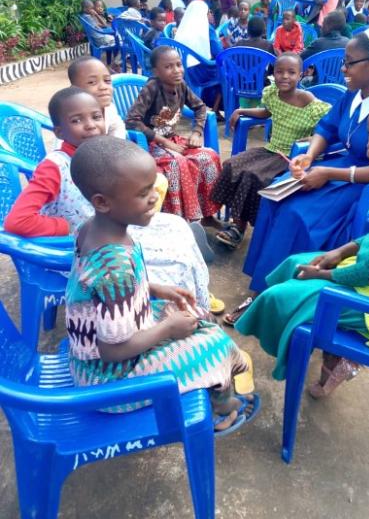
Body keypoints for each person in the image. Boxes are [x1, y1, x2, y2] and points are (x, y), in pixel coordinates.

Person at [236, 91, 369, 395]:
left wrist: (323, 274)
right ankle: (332, 357)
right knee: (292, 264)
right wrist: (343, 249)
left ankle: (317, 352)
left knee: (283, 297)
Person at [66, 135, 259, 431]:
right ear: (102, 202)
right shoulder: (115, 270)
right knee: (216, 344)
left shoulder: (91, 229)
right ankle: (222, 405)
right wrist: (167, 329)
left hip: (101, 348)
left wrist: (155, 289)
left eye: (152, 186)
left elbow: (100, 296)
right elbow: (112, 351)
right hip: (107, 379)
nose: (155, 197)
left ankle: (213, 385)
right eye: (143, 193)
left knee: (198, 318)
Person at [4, 87, 212, 310]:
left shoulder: (99, 152)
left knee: (177, 226)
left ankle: (197, 298)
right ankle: (176, 311)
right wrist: (64, 226)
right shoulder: (54, 167)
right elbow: (16, 221)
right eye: (77, 120)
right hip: (81, 251)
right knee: (174, 262)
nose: (91, 125)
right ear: (59, 132)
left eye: (96, 117)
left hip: (112, 229)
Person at [239, 26, 369, 304]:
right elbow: (326, 128)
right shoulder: (356, 93)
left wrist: (327, 173)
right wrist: (309, 155)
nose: (343, 69)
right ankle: (263, 282)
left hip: (365, 181)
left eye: (350, 62)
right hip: (338, 166)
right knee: (273, 195)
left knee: (297, 214)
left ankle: (284, 293)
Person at [211, 54, 330, 252]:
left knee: (253, 175)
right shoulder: (273, 93)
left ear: (300, 75)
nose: (284, 76)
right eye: (279, 71)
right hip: (271, 149)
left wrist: (310, 142)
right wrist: (241, 111)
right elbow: (267, 113)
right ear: (273, 74)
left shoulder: (309, 101)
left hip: (290, 157)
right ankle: (233, 220)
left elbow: (327, 127)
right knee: (233, 164)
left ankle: (240, 227)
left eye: (291, 72)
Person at [125, 45, 222, 224]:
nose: (176, 70)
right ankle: (181, 220)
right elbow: (131, 120)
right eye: (168, 67)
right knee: (177, 164)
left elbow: (200, 107)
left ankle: (208, 215)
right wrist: (163, 142)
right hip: (149, 145)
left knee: (208, 157)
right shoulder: (152, 88)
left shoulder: (181, 85)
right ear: (156, 71)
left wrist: (197, 131)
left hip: (172, 141)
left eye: (178, 65)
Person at [174, 0, 223, 114]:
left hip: (181, 69)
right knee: (226, 72)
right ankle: (215, 111)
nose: (211, 14)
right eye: (208, 12)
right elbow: (218, 53)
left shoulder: (183, 26)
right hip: (198, 72)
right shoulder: (207, 28)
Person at [67, 56, 126, 138]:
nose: (103, 87)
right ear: (75, 89)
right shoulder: (71, 116)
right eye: (92, 82)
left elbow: (117, 127)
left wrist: (116, 145)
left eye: (107, 81)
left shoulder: (109, 108)